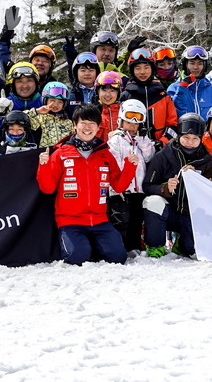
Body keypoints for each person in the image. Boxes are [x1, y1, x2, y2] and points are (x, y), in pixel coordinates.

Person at [37, 103, 138, 265]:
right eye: (83, 122)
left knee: (118, 257)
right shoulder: (61, 153)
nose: (87, 127)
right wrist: (44, 166)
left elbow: (119, 186)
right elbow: (47, 188)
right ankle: (84, 246)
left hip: (99, 220)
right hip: (70, 221)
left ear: (98, 127)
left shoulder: (105, 154)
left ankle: (95, 245)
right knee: (77, 258)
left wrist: (130, 166)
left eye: (92, 123)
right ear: (75, 125)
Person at [141, 113, 212, 258]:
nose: (190, 142)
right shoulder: (163, 156)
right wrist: (165, 188)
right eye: (186, 137)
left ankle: (182, 242)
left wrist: (197, 180)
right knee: (152, 202)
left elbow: (210, 192)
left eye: (195, 139)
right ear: (179, 136)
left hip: (190, 215)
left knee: (191, 251)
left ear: (201, 139)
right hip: (169, 213)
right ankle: (155, 246)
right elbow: (147, 186)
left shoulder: (206, 160)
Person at [106, 99, 156, 252]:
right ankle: (120, 248)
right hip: (121, 190)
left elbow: (149, 156)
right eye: (129, 122)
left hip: (138, 190)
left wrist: (142, 140)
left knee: (136, 220)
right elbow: (113, 163)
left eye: (136, 123)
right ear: (121, 120)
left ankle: (134, 247)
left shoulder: (141, 140)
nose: (132, 127)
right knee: (121, 220)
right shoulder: (116, 140)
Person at [122, 47, 179, 144]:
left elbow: (173, 124)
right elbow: (120, 126)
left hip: (161, 150)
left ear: (152, 69)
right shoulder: (126, 96)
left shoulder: (163, 95)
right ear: (132, 71)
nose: (142, 72)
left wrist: (162, 142)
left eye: (146, 67)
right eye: (137, 68)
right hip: (133, 150)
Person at [168, 45, 212, 118]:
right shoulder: (174, 88)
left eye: (200, 63)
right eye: (192, 63)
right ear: (185, 65)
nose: (196, 67)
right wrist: (182, 89)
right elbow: (173, 115)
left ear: (204, 66)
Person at [27, 81, 75, 148]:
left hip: (63, 154)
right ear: (45, 100)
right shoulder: (39, 118)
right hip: (45, 154)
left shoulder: (68, 122)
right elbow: (20, 118)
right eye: (52, 100)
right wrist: (37, 111)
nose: (55, 105)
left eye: (60, 102)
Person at [93, 70, 125, 140]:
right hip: (101, 150)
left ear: (118, 93)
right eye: (104, 90)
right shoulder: (93, 113)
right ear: (97, 91)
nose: (108, 95)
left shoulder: (124, 112)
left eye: (112, 91)